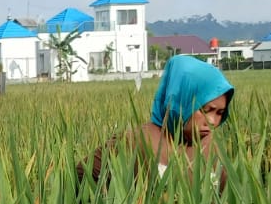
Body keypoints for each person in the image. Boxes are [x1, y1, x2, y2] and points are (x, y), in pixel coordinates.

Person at [80, 54, 234, 182]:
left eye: (220, 113)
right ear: (181, 101)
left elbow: (229, 196)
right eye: (205, 110)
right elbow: (79, 177)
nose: (213, 121)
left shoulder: (212, 147)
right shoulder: (136, 141)